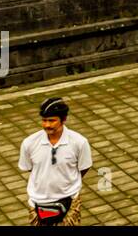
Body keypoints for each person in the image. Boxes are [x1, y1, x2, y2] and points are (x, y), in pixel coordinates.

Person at [19, 96, 93, 226]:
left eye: (52, 121)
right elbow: (29, 167)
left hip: (69, 202)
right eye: (44, 120)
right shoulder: (29, 143)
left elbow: (84, 167)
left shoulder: (79, 142)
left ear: (63, 120)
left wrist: (68, 181)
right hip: (37, 203)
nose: (47, 125)